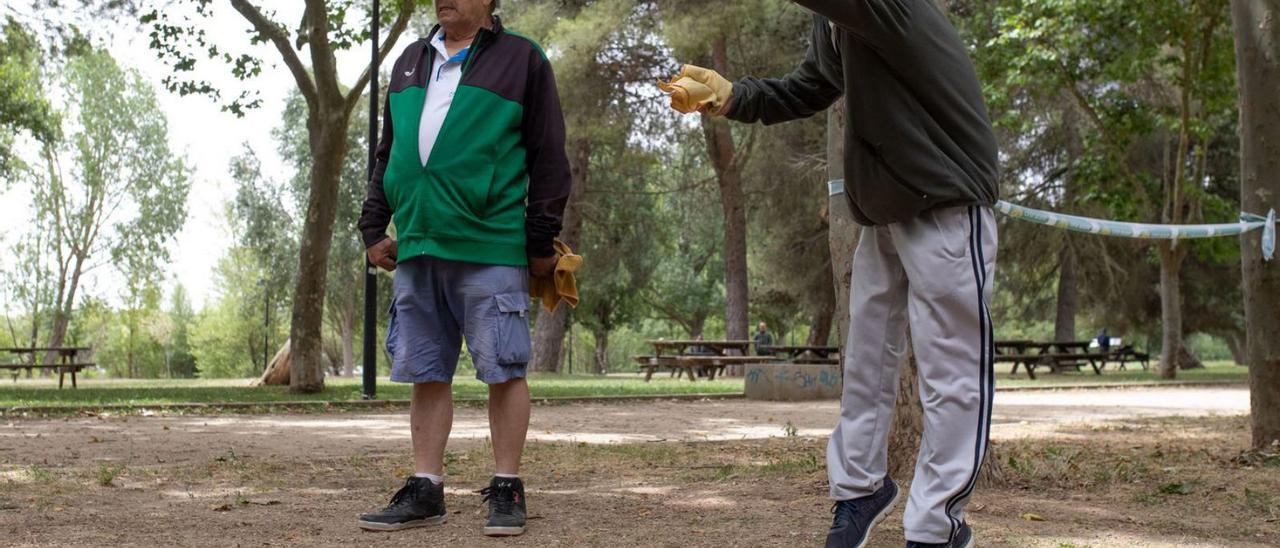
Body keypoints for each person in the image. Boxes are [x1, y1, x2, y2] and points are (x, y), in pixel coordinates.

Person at [660, 2, 999, 547]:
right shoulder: (838, 22)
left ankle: (937, 525)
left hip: (946, 201)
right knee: (865, 363)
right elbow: (811, 85)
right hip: (883, 207)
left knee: (952, 376)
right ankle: (860, 489)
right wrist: (732, 96)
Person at [354, 0, 570, 538]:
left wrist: (539, 239)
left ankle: (506, 486)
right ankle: (425, 487)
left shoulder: (523, 59)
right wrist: (374, 228)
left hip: (490, 241)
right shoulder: (409, 60)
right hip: (419, 241)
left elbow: (548, 154)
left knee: (504, 366)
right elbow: (388, 152)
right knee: (425, 369)